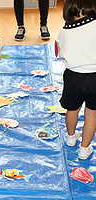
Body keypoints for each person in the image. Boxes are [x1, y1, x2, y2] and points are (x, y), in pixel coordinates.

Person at [56, 0, 96, 160]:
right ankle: (84, 149)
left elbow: (59, 52)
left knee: (72, 109)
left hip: (73, 76)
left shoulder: (65, 30)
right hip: (95, 76)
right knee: (91, 114)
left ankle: (71, 137)